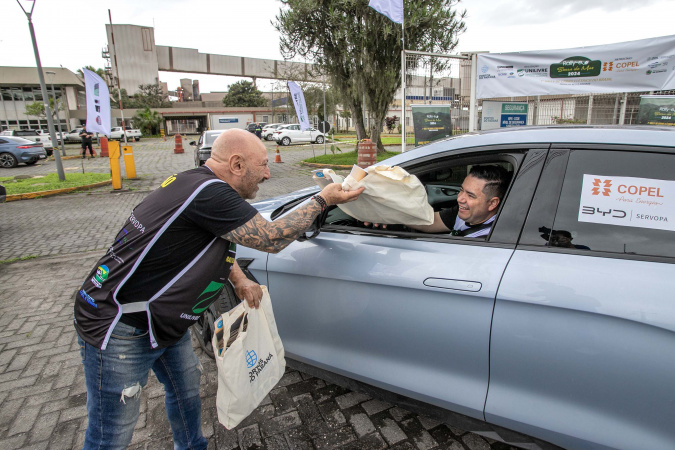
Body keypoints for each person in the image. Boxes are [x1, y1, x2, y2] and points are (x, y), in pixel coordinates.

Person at [73, 128, 363, 450]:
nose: (268, 174)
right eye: (263, 165)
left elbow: (218, 235)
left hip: (166, 323)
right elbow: (270, 238)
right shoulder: (210, 192)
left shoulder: (198, 183)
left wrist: (238, 279)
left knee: (185, 394)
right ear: (237, 165)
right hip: (121, 327)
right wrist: (324, 199)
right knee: (111, 434)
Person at [367, 165, 510, 238]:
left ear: (492, 203)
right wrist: (388, 214)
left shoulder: (491, 237)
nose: (460, 198)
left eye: (470, 195)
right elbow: (430, 222)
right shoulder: (467, 214)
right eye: (461, 190)